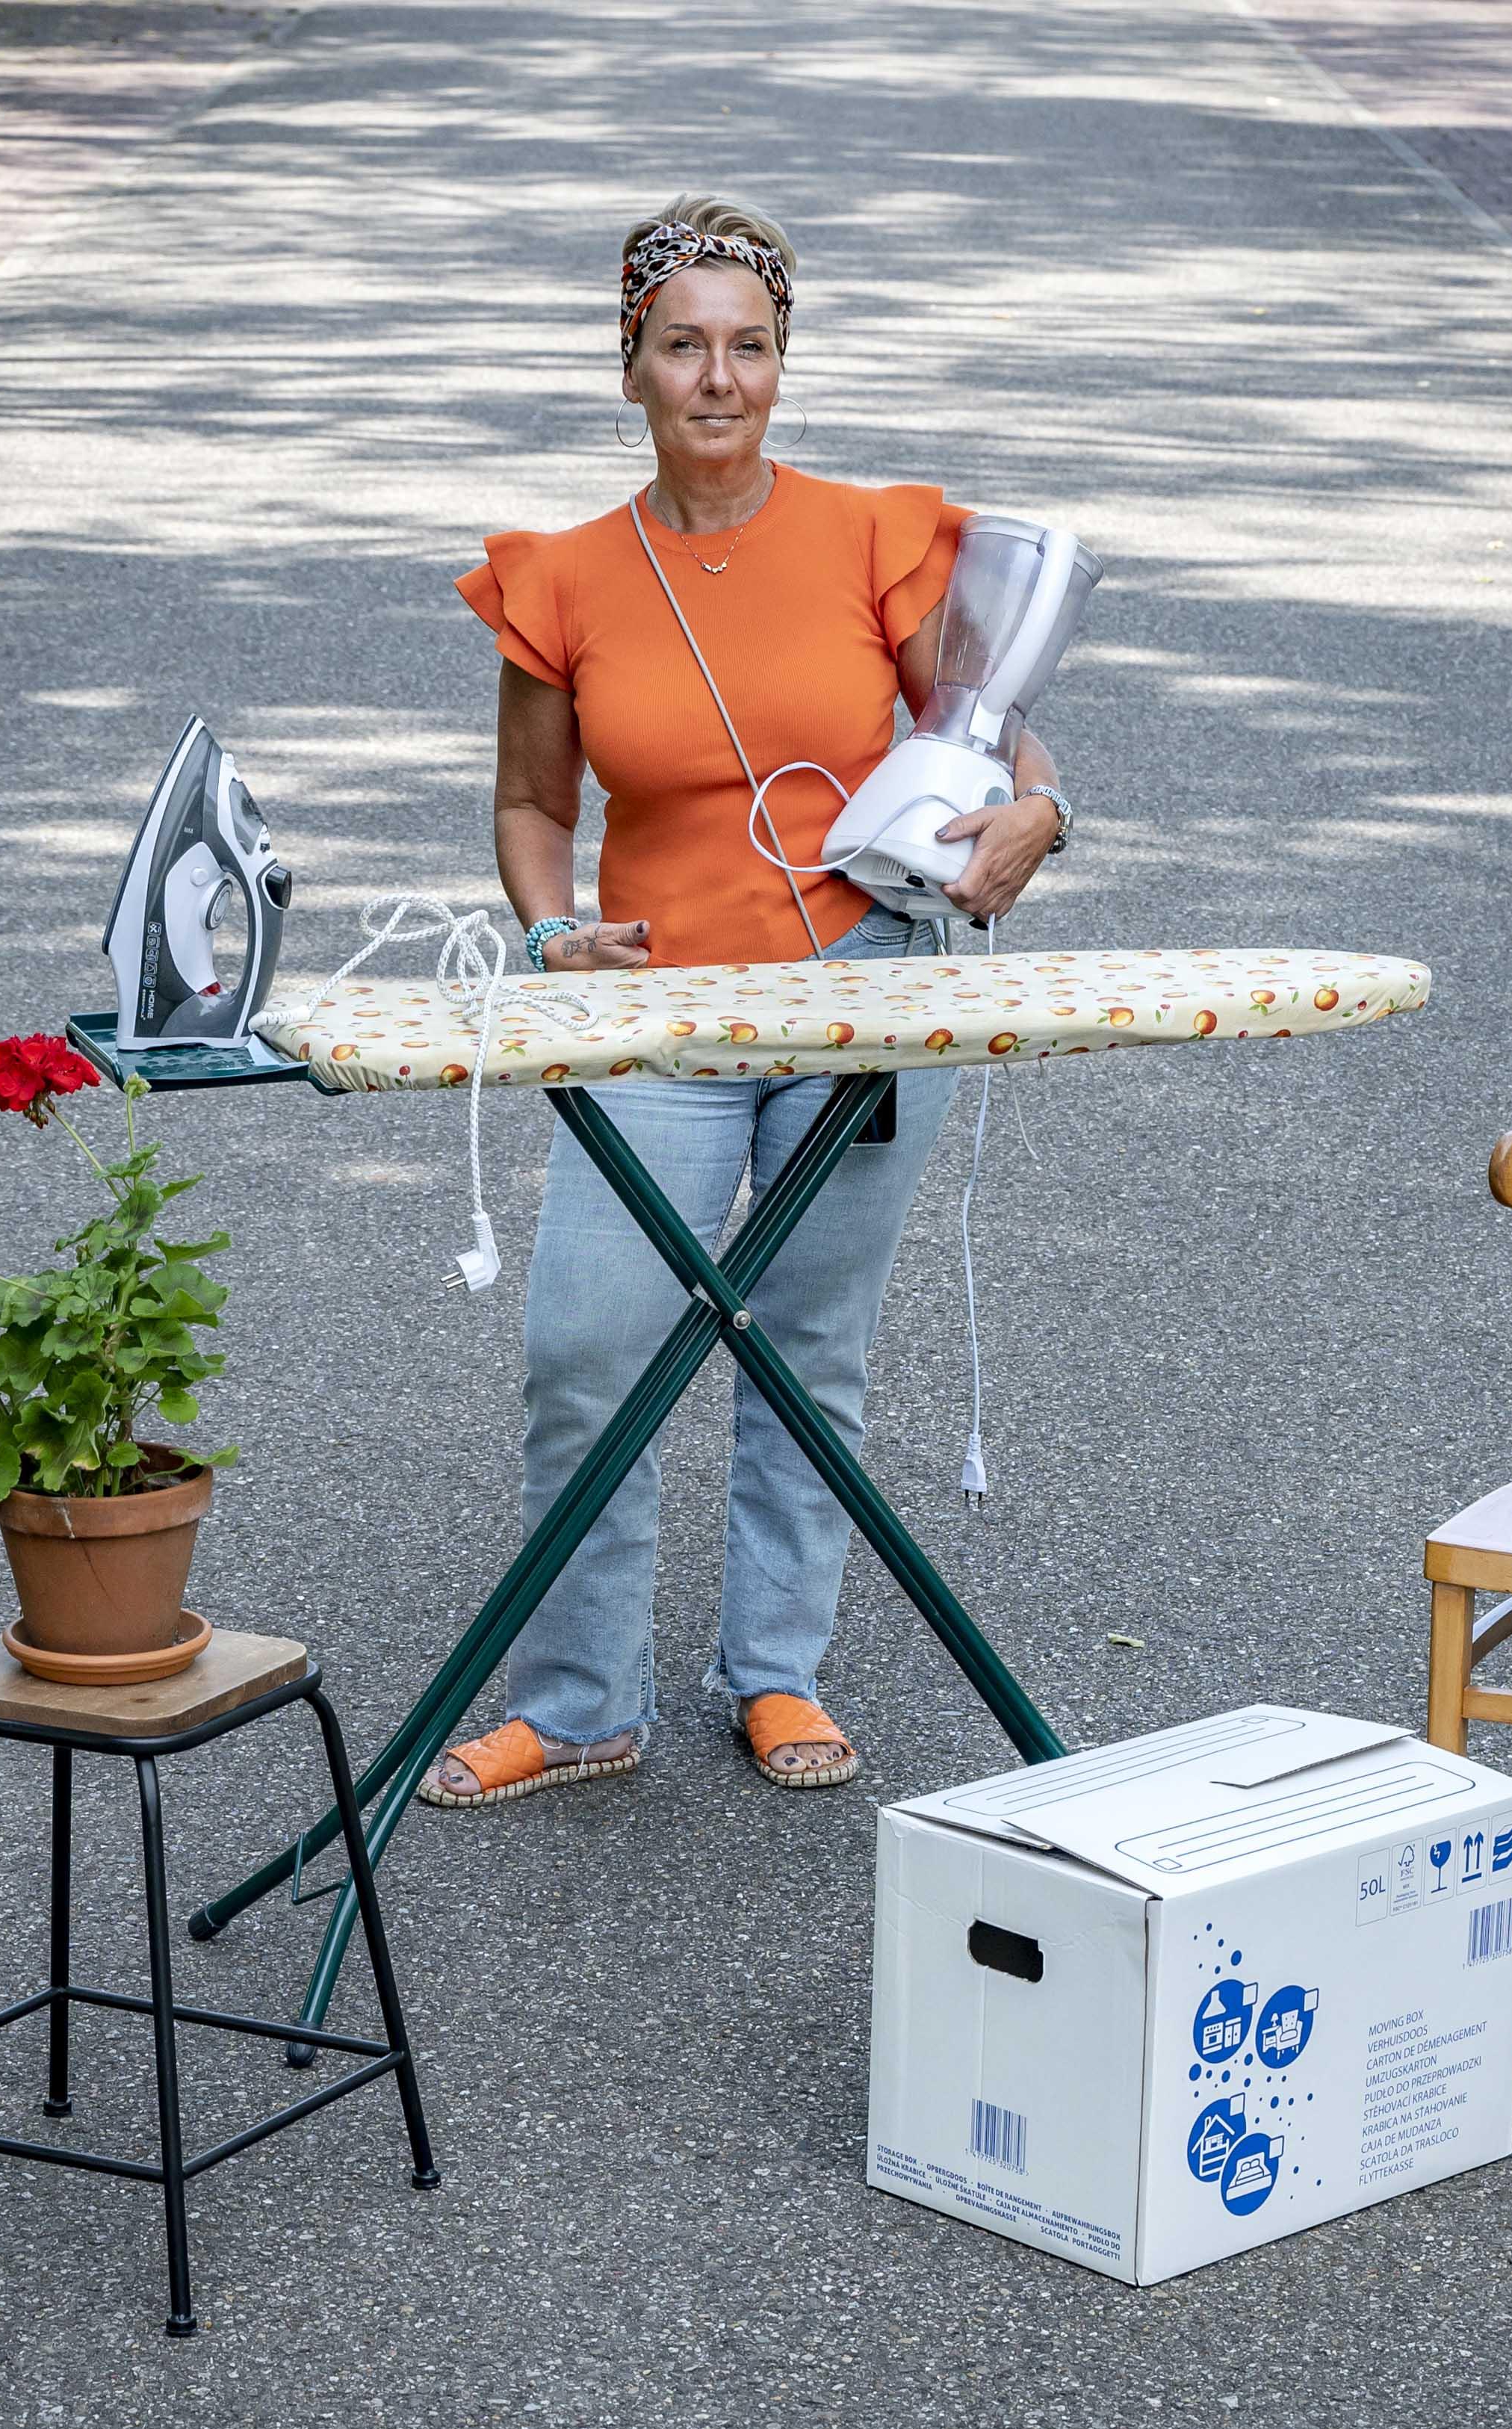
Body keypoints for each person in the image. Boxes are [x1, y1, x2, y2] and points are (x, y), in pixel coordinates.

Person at [422, 194, 1072, 1807]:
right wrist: (548, 925)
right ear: (629, 364)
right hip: (655, 1001)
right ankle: (579, 1701)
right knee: (588, 1342)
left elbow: (990, 730)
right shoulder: (560, 579)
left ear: (783, 363)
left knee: (809, 1345)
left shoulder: (871, 538)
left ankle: (774, 1668)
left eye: (751, 347)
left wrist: (1037, 820)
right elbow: (527, 804)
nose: (719, 377)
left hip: (864, 985)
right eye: (684, 346)